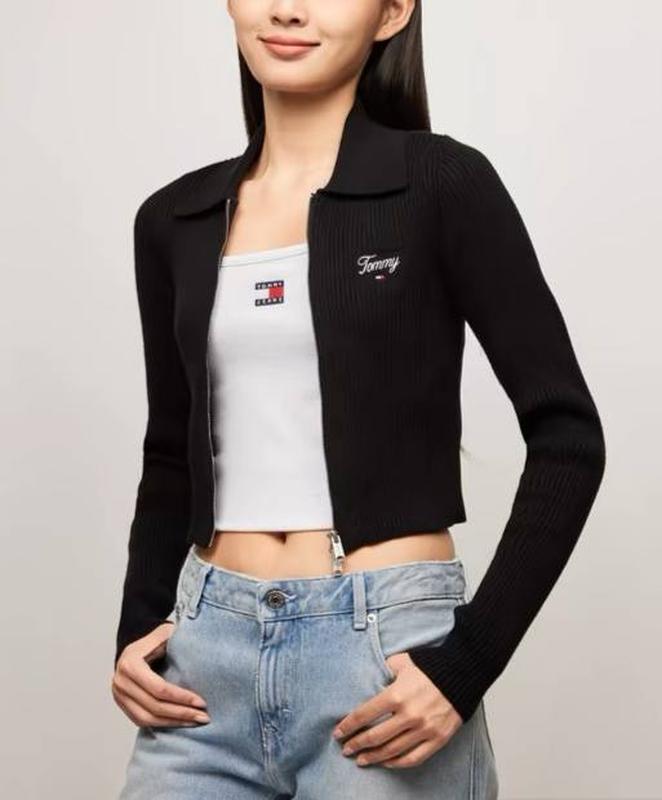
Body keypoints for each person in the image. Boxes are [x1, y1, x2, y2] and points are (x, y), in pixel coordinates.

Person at [111, 1, 606, 798]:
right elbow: (171, 451)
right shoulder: (174, 218)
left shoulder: (440, 183)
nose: (288, 9)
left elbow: (568, 439)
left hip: (381, 660)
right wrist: (138, 628)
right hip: (205, 665)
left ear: (392, 11)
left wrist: (466, 665)